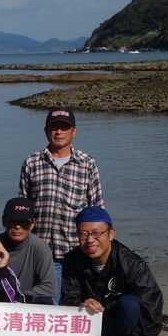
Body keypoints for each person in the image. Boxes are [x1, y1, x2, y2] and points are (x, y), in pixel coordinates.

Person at [61, 207, 163, 336]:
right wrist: (79, 305)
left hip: (130, 334)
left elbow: (153, 316)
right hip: (97, 333)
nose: (90, 240)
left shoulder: (132, 264)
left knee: (130, 304)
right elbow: (66, 300)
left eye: (97, 233)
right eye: (83, 234)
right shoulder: (72, 260)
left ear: (111, 234)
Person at [18, 109, 104, 304]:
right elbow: (23, 210)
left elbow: (97, 208)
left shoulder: (87, 163)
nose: (59, 132)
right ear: (46, 131)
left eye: (64, 127)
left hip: (77, 248)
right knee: (48, 303)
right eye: (54, 127)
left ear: (74, 131)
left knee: (78, 302)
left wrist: (99, 246)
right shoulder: (32, 163)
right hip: (42, 250)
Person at [0, 198, 58, 305]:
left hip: (28, 303)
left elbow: (50, 287)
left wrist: (17, 297)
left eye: (23, 222)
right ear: (4, 221)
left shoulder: (40, 247)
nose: (18, 226)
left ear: (33, 223)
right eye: (13, 221)